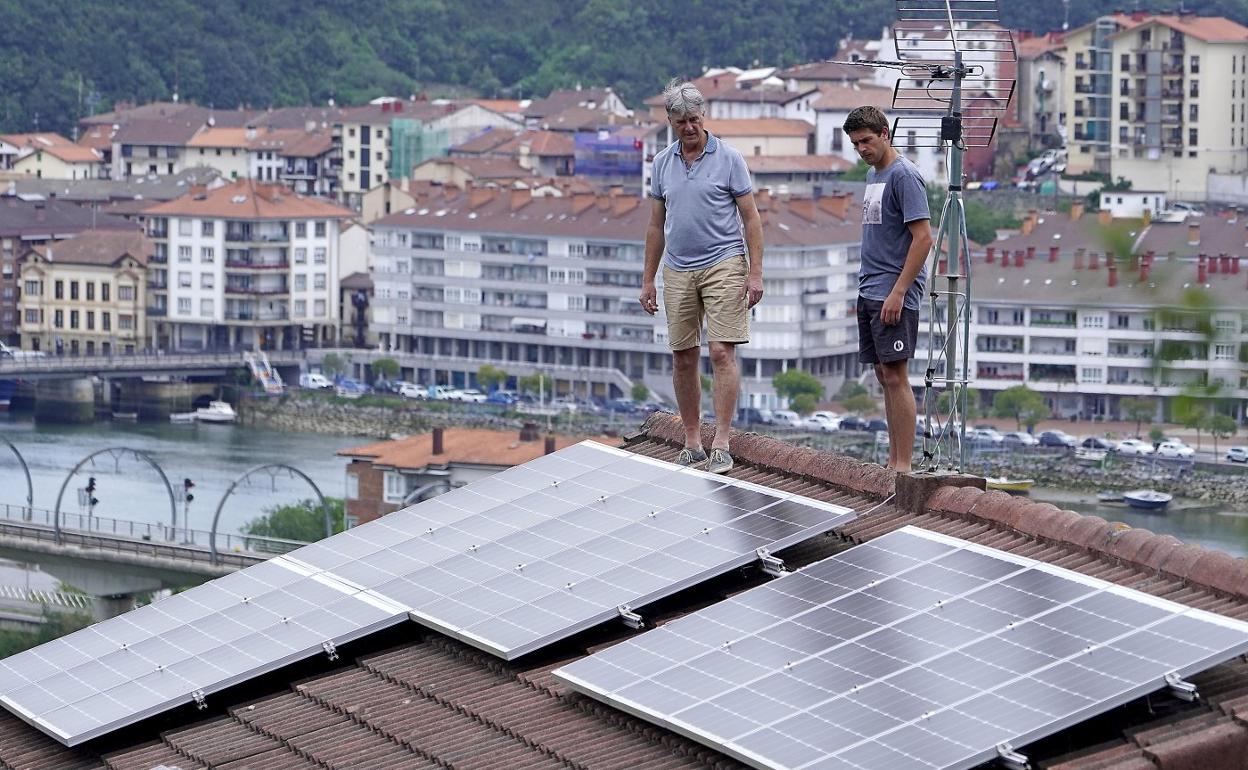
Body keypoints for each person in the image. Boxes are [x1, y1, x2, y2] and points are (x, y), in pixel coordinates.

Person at [641, 79, 764, 474]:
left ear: (703, 116)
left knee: (721, 351)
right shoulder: (662, 164)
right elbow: (656, 225)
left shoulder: (729, 159)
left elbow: (751, 218)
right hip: (678, 266)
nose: (689, 127)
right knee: (683, 355)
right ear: (671, 122)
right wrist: (648, 279)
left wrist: (755, 273)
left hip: (724, 261)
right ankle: (692, 440)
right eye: (681, 122)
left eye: (694, 119)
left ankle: (722, 442)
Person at [842, 106, 933, 472]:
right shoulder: (873, 175)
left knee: (896, 375)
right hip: (871, 288)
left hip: (893, 291)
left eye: (866, 140)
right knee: (883, 375)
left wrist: (899, 291)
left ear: (884, 134)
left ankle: (902, 466)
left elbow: (923, 239)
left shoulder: (904, 176)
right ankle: (893, 461)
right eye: (855, 144)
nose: (862, 149)